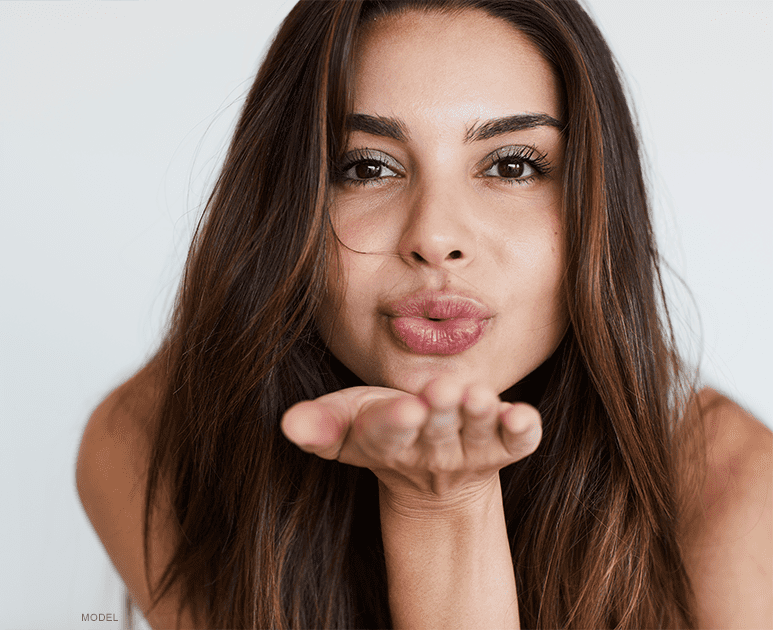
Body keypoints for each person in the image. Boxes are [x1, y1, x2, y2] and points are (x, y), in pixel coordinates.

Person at [76, 1, 772, 628]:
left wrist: (443, 503)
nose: (436, 236)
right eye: (367, 167)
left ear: (597, 208)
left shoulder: (739, 496)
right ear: (283, 209)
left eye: (512, 166)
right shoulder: (151, 446)